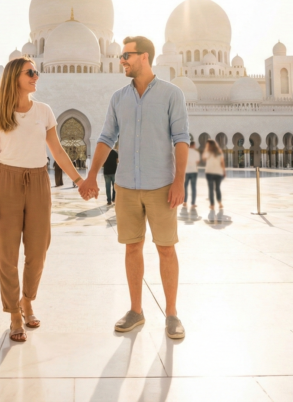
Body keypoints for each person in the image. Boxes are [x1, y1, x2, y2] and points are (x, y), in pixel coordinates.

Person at [81, 35, 188, 340]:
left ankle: (171, 314)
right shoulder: (119, 98)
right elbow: (105, 138)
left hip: (161, 185)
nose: (121, 60)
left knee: (166, 249)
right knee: (132, 248)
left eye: (126, 55)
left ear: (144, 57)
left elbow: (181, 138)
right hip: (127, 186)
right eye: (121, 55)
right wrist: (91, 177)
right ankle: (136, 311)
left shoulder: (171, 95)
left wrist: (179, 181)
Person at [0, 57, 88, 343]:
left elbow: (57, 150)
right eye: (31, 72)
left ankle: (27, 299)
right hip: (5, 181)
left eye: (36, 72)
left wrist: (79, 181)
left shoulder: (44, 111)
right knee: (7, 252)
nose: (36, 76)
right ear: (15, 76)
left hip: (38, 180)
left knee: (39, 248)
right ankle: (14, 313)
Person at [203, 139, 225, 217]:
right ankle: (220, 203)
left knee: (211, 189)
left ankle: (212, 205)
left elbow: (203, 158)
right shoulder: (219, 153)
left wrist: (206, 149)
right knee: (217, 188)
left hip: (209, 173)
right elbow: (222, 163)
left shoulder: (208, 153)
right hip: (218, 173)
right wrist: (224, 172)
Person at [183, 141, 200, 215]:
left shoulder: (185, 152)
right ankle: (193, 203)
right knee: (193, 187)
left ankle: (185, 202)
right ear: (194, 145)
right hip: (194, 171)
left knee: (185, 187)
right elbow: (198, 161)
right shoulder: (196, 153)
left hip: (186, 171)